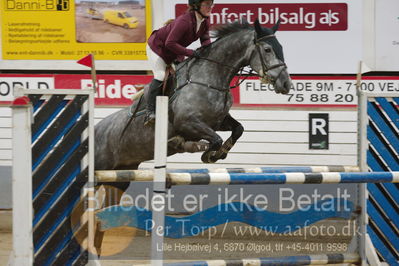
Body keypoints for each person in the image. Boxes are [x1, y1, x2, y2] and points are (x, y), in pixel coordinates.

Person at [144, 0, 214, 125]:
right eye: (207, 4)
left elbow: (205, 40)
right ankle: (150, 112)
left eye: (211, 4)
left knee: (182, 75)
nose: (210, 7)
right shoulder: (184, 21)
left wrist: (212, 54)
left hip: (174, 52)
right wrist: (191, 53)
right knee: (160, 75)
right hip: (158, 48)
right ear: (196, 6)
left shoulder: (204, 22)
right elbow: (169, 43)